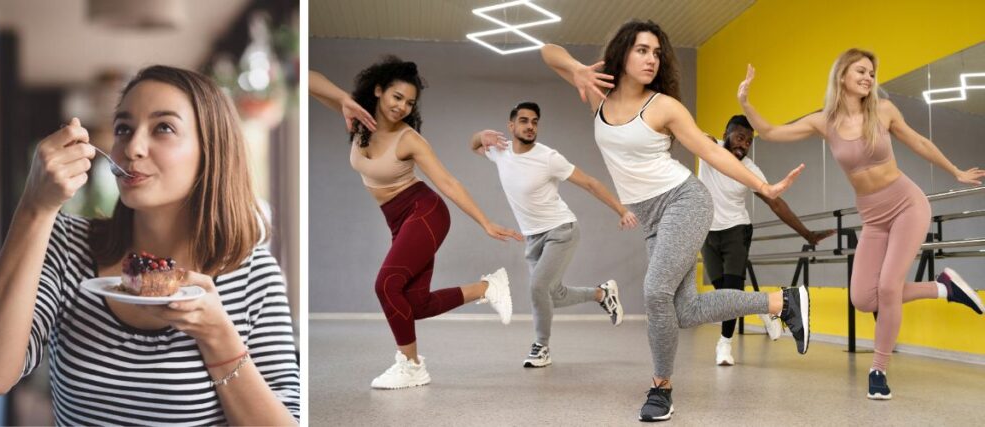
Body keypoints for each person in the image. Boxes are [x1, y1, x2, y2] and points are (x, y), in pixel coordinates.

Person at [0, 65, 300, 425]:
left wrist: (218, 336)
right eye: (124, 128)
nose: (132, 147)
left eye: (164, 128)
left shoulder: (252, 273)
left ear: (211, 151)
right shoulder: (69, 247)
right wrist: (36, 206)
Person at [541, 19, 810, 422]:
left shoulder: (663, 106)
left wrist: (764, 188)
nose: (652, 59)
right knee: (681, 310)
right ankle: (782, 301)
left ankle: (661, 388)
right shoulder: (599, 97)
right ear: (622, 53)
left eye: (656, 52)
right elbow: (548, 50)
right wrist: (577, 69)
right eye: (642, 50)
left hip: (683, 201)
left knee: (654, 293)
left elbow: (711, 151)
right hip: (651, 217)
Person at [738, 48, 985, 400]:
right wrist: (746, 103)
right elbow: (773, 132)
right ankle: (943, 287)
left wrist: (955, 171)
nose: (868, 77)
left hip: (906, 204)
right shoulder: (825, 121)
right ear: (842, 76)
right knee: (863, 298)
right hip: (873, 216)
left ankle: (878, 370)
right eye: (861, 71)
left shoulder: (883, 111)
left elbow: (919, 141)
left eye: (871, 72)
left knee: (887, 288)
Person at [309, 58, 523, 390]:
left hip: (424, 212)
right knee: (415, 305)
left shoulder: (409, 140)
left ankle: (410, 365)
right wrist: (344, 100)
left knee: (386, 285)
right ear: (378, 91)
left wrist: (485, 222)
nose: (402, 107)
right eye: (396, 97)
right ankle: (487, 288)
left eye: (409, 102)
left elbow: (448, 183)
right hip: (397, 219)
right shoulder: (357, 121)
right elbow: (308, 77)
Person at [470, 101, 638, 368]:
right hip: (533, 237)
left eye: (534, 121)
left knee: (538, 287)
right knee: (553, 295)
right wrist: (481, 135)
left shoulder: (548, 157)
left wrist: (621, 210)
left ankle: (541, 347)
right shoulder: (501, 152)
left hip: (561, 230)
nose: (530, 126)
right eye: (523, 121)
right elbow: (475, 145)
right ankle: (601, 294)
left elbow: (590, 183)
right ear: (511, 126)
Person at [699, 115, 837, 366]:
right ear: (726, 133)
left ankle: (724, 344)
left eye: (749, 141)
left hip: (736, 232)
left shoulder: (750, 170)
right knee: (722, 295)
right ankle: (762, 308)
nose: (744, 144)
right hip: (707, 233)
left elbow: (775, 202)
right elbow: (687, 134)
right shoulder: (709, 149)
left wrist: (807, 234)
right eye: (740, 137)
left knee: (730, 293)